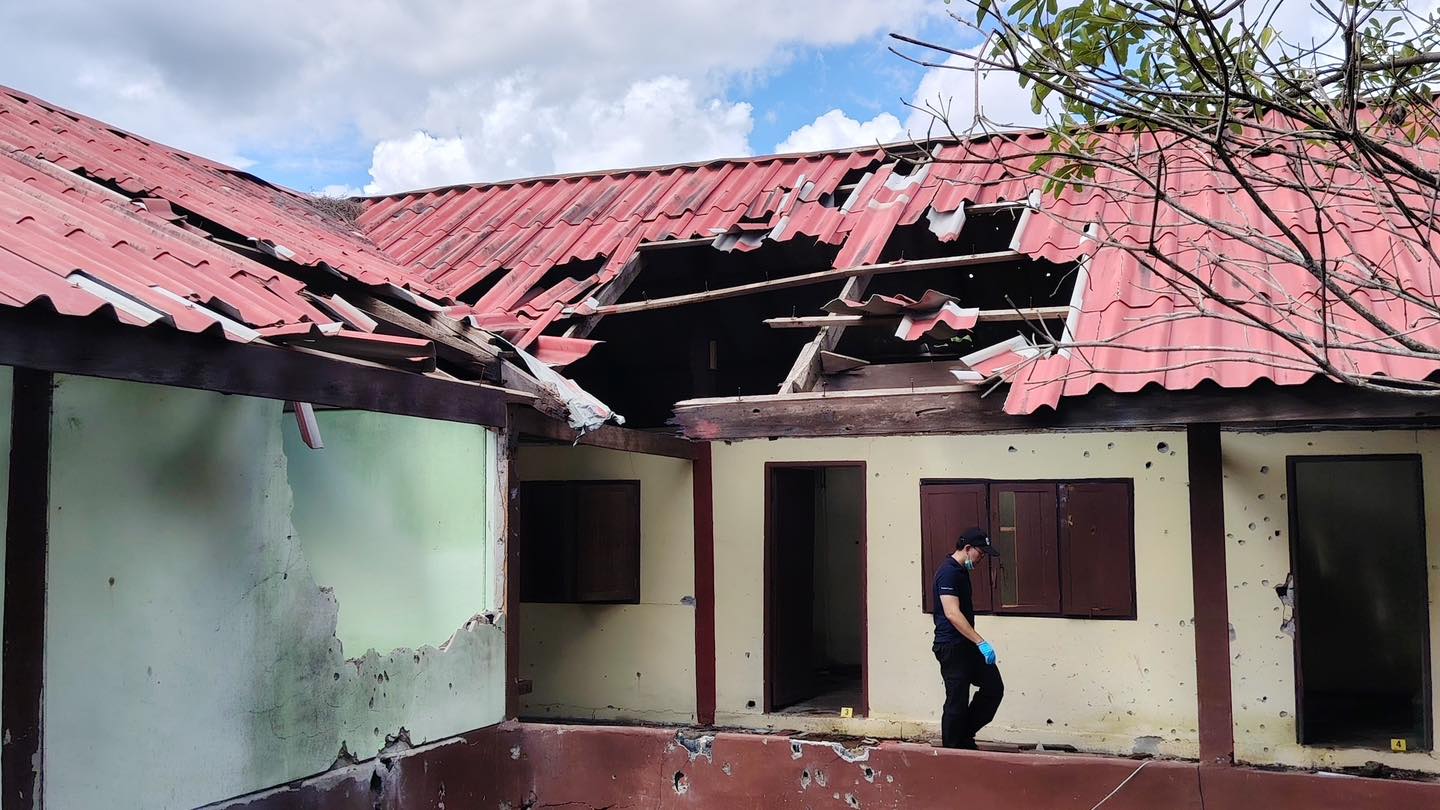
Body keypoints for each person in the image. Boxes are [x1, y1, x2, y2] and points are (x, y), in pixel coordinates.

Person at [932, 527, 1005, 749]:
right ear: (967, 548)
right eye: (980, 553)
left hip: (966, 644)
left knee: (993, 687)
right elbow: (952, 613)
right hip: (951, 646)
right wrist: (981, 642)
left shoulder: (961, 572)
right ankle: (952, 750)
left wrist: (975, 643)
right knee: (957, 699)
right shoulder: (948, 572)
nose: (981, 559)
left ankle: (964, 735)